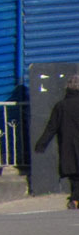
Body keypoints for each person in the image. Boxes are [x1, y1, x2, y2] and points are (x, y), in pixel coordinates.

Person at [34, 74, 79, 209]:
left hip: (68, 146)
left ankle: (75, 199)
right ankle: (75, 199)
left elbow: (52, 127)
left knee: (75, 176)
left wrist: (41, 144)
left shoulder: (61, 106)